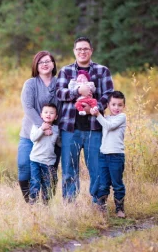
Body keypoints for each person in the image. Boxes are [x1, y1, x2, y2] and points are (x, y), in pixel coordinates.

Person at [56, 36, 114, 202]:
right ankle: (70, 205)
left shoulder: (102, 71)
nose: (82, 52)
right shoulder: (65, 71)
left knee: (96, 168)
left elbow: (108, 94)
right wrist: (77, 91)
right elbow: (59, 93)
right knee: (69, 169)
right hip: (70, 128)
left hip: (94, 128)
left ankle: (98, 204)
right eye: (79, 49)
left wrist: (94, 108)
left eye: (85, 49)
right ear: (74, 51)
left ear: (91, 51)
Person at [17, 51, 60, 203]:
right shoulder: (30, 84)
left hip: (52, 136)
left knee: (49, 172)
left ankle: (47, 204)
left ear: (53, 64)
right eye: (41, 62)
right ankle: (30, 202)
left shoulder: (59, 83)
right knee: (24, 166)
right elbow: (28, 107)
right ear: (36, 65)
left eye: (48, 61)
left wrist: (52, 128)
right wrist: (43, 126)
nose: (45, 64)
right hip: (30, 133)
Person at [90, 91, 127, 218]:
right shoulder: (105, 118)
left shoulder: (121, 117)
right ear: (108, 105)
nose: (116, 108)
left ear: (124, 106)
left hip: (116, 155)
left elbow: (109, 126)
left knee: (117, 183)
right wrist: (91, 109)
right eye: (114, 104)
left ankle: (119, 209)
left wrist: (98, 115)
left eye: (120, 105)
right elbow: (103, 123)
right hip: (103, 155)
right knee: (103, 183)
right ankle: (101, 207)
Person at [29, 103, 60, 204]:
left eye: (51, 113)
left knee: (48, 183)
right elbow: (33, 138)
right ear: (41, 115)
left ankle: (46, 203)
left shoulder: (56, 129)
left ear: (56, 117)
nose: (48, 114)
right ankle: (33, 201)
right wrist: (42, 129)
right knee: (35, 181)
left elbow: (59, 143)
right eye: (46, 112)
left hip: (49, 162)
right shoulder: (37, 126)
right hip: (35, 160)